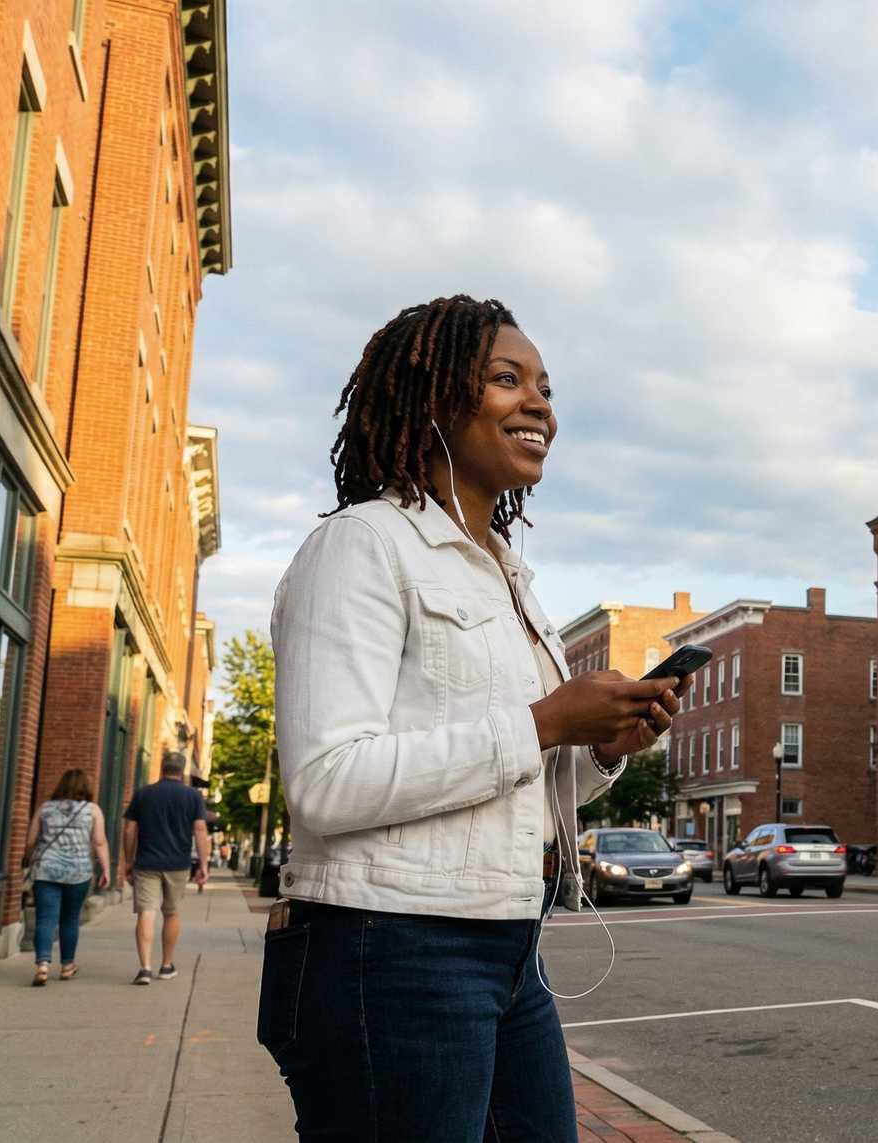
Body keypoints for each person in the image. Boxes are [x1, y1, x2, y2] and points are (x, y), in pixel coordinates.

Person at [263, 297, 687, 1140]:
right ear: (429, 396)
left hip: (506, 943)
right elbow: (324, 782)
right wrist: (540, 721)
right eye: (506, 379)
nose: (541, 406)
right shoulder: (363, 546)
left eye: (546, 387)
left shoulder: (507, 579)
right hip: (386, 946)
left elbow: (519, 777)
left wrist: (599, 746)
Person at [121, 752, 210, 985]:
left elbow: (130, 830)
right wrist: (203, 864)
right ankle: (166, 965)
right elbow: (200, 830)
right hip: (178, 864)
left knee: (146, 912)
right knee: (171, 913)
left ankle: (144, 968)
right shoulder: (193, 796)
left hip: (146, 862)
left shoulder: (143, 794)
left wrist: (128, 860)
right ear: (182, 772)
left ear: (162, 768)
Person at [24, 769, 111, 985]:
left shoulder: (45, 808)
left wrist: (29, 860)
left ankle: (42, 965)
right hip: (78, 872)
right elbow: (99, 842)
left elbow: (30, 841)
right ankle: (66, 966)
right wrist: (106, 870)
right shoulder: (92, 810)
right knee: (70, 918)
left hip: (46, 870)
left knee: (45, 918)